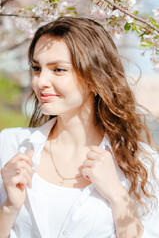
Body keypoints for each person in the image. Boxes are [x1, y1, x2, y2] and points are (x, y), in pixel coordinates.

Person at [0, 16, 159, 238]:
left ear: (95, 78)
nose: (40, 81)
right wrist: (9, 208)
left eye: (58, 69)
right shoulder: (9, 145)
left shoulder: (141, 162)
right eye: (37, 68)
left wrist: (117, 195)